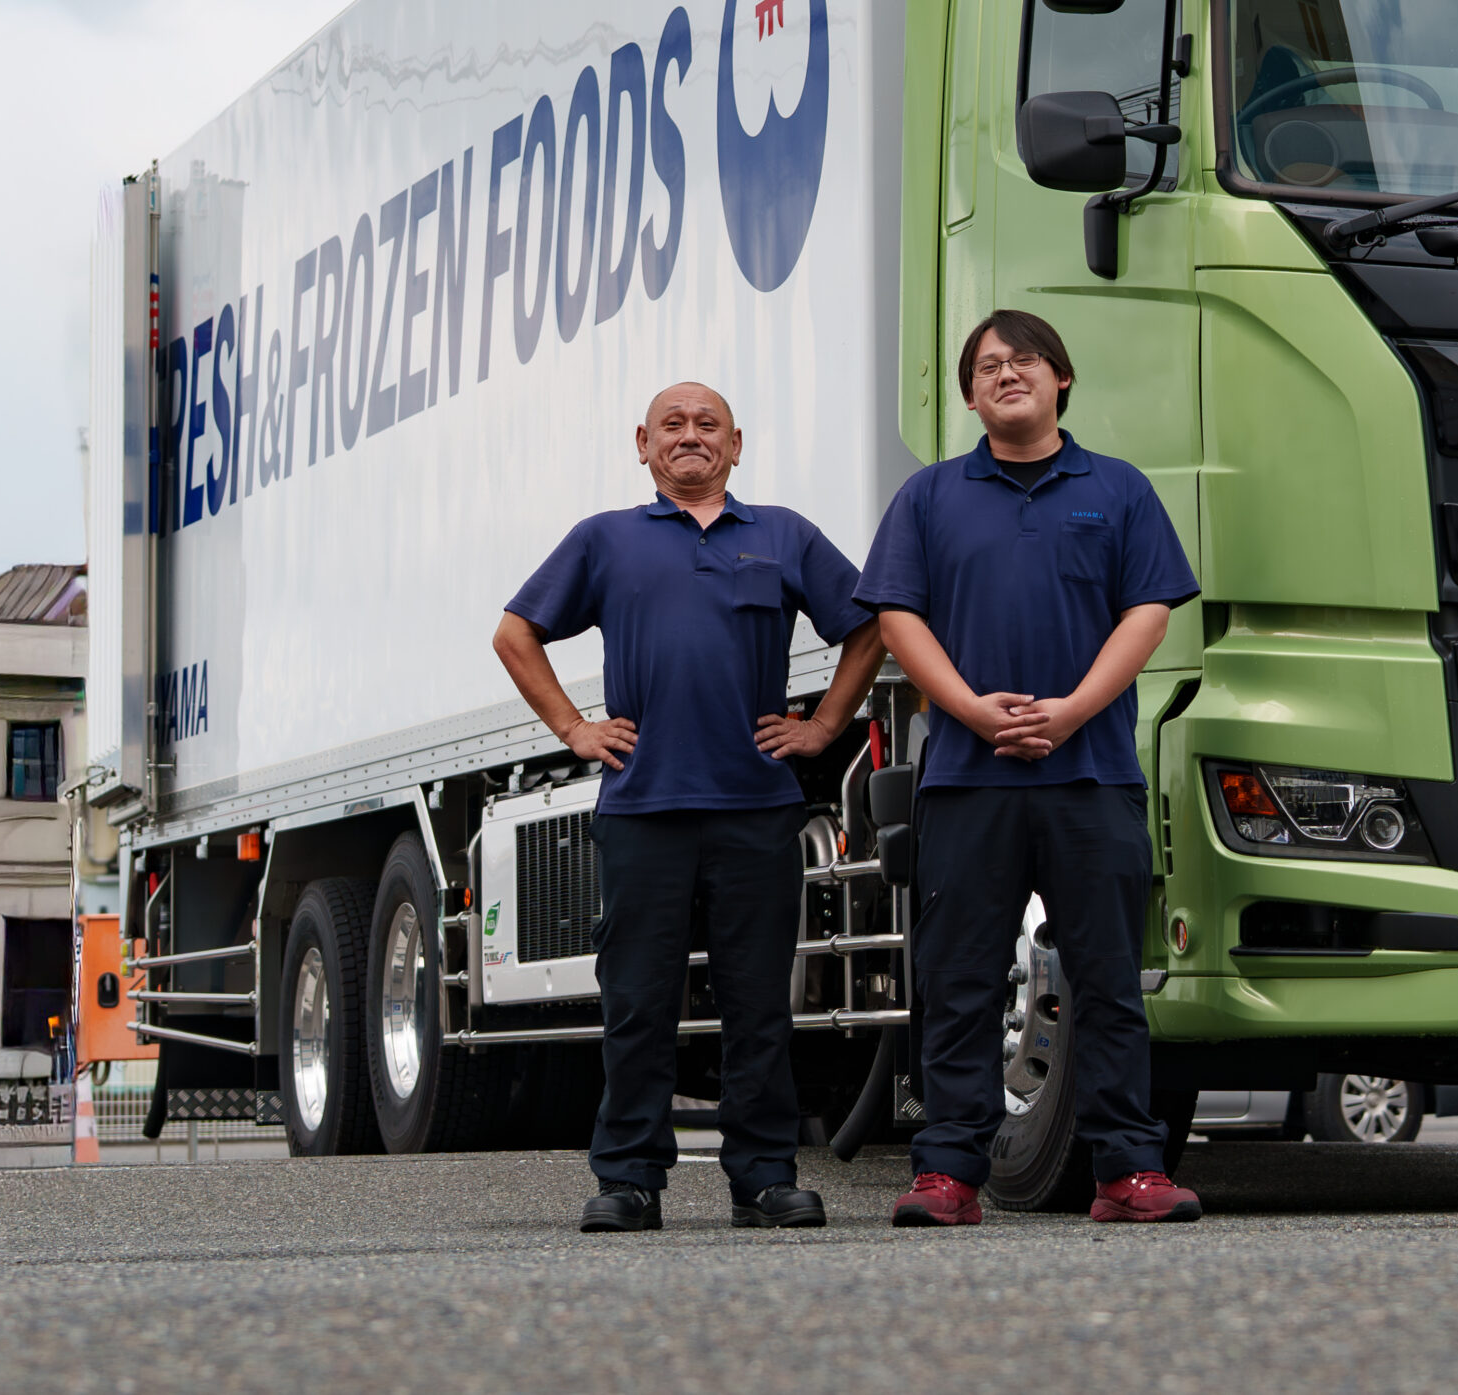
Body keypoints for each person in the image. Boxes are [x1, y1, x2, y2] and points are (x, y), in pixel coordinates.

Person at [493, 381, 884, 1233]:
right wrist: (573, 728)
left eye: (709, 424)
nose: (690, 435)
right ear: (643, 443)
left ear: (736, 445)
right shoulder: (605, 539)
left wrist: (824, 724)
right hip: (644, 809)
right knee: (638, 1003)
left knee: (758, 1005)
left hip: (757, 807)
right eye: (672, 424)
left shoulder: (783, 534)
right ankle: (629, 1179)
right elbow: (515, 632)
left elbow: (870, 626)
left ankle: (764, 1179)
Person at [856, 311, 1202, 1226]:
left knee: (1108, 981)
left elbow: (1148, 613)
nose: (1007, 373)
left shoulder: (1119, 489)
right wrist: (971, 711)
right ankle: (949, 1173)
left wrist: (1074, 709)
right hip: (968, 781)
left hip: (1092, 776)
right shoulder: (929, 497)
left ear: (1062, 378)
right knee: (961, 982)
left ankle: (1128, 1170)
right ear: (970, 396)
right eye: (988, 366)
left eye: (1026, 360)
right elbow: (897, 618)